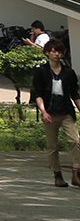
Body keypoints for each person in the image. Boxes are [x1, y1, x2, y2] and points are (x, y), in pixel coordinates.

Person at [29, 37, 78, 188]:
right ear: (47, 53)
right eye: (53, 51)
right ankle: (57, 175)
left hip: (66, 111)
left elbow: (75, 94)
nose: (56, 54)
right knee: (52, 146)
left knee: (75, 141)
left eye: (59, 52)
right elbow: (37, 94)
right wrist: (43, 111)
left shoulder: (68, 72)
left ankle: (76, 173)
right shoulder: (41, 72)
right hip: (50, 112)